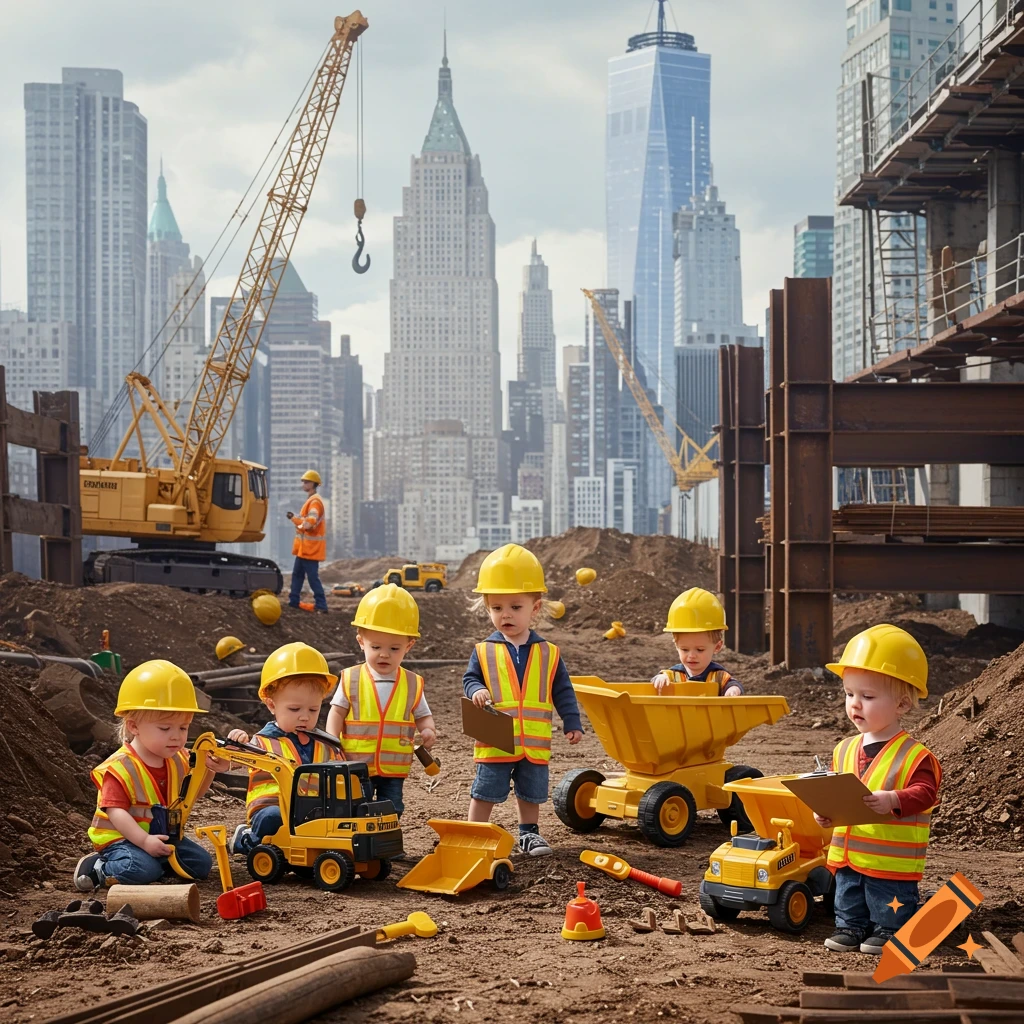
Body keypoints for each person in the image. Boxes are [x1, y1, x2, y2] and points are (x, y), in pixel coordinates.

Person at [815, 624, 941, 955]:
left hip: (891, 864)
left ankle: (890, 929)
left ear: (902, 705)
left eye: (867, 697)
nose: (855, 704)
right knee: (848, 894)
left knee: (888, 901)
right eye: (849, 694)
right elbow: (835, 790)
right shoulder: (843, 749)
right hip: (848, 858)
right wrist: (825, 812)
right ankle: (850, 927)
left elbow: (927, 794)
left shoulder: (915, 756)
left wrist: (893, 800)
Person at [464, 543, 583, 857]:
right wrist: (475, 690)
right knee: (486, 788)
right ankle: (475, 834)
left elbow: (563, 690)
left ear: (536, 607)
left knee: (531, 792)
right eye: (497, 608)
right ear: (487, 608)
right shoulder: (483, 650)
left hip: (533, 741)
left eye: (516, 607)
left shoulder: (548, 652)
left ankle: (529, 834)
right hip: (495, 739)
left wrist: (572, 721)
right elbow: (469, 680)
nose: (506, 615)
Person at [74, 661, 230, 890]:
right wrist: (145, 841)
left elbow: (195, 794)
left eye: (183, 728)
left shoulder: (179, 758)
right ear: (134, 726)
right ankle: (98, 869)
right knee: (139, 869)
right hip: (122, 840)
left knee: (201, 865)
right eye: (165, 729)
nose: (176, 737)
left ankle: (156, 862)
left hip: (161, 835)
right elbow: (116, 814)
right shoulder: (120, 767)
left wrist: (210, 770)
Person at [326, 584, 436, 819]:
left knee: (392, 807)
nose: (384, 654)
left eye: (394, 648)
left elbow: (422, 714)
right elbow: (336, 712)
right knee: (357, 805)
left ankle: (388, 843)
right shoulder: (351, 678)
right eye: (376, 647)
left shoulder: (412, 683)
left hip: (393, 767)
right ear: (361, 642)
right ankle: (360, 843)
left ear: (409, 645)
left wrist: (428, 730)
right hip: (355, 764)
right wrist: (332, 741)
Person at [229, 642, 344, 855]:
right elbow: (227, 762)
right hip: (271, 808)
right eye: (294, 709)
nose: (304, 716)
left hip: (310, 811)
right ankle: (245, 839)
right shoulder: (262, 741)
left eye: (313, 709)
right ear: (272, 705)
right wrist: (235, 743)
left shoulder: (325, 745)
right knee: (273, 818)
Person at [650, 588, 744, 695]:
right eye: (684, 649)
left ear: (717, 647)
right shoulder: (674, 675)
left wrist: (733, 690)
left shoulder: (718, 676)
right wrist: (661, 678)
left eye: (700, 650)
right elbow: (656, 680)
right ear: (676, 646)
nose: (692, 655)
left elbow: (733, 684)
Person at [287, 469, 328, 613]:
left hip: (310, 549)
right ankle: (293, 602)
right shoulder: (311, 501)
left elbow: (309, 524)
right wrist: (295, 519)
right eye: (303, 481)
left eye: (307, 482)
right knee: (297, 575)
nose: (304, 484)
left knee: (312, 578)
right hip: (304, 549)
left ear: (314, 484)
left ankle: (321, 605)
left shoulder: (315, 502)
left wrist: (295, 520)